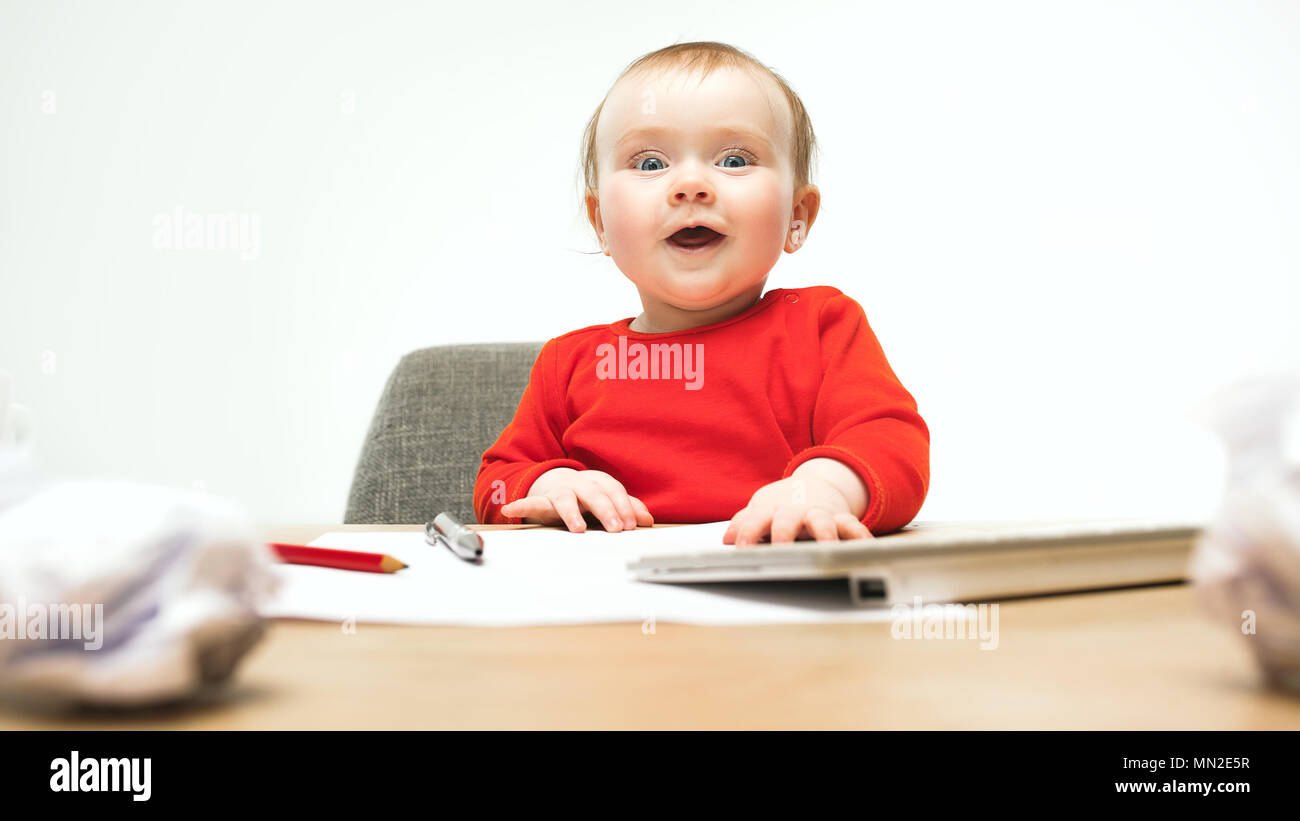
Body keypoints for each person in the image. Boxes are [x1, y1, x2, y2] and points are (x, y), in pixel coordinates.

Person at [474, 41, 929, 546]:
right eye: (649, 164)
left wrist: (822, 490)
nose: (690, 185)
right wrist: (551, 484)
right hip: (613, 607)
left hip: (774, 592)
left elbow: (892, 445)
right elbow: (495, 483)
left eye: (734, 159)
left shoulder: (823, 328)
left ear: (797, 218)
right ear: (601, 224)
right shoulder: (569, 364)